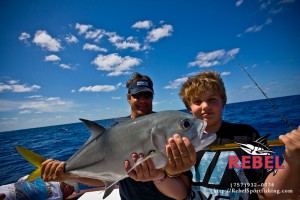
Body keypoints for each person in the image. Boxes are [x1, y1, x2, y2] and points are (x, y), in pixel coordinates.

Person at [40, 72, 195, 200]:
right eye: (137, 95)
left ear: (152, 97)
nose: (142, 100)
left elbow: (182, 184)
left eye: (147, 95)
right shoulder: (115, 130)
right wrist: (67, 174)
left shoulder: (166, 128)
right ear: (129, 98)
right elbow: (104, 176)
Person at [177, 70, 300, 199]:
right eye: (197, 101)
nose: (205, 106)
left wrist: (291, 161)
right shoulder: (184, 142)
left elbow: (267, 190)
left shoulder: (247, 134)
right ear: (189, 108)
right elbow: (182, 189)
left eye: (212, 99)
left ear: (223, 102)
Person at [0, 175, 74, 200]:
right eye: (71, 192)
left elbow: (21, 179)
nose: (71, 193)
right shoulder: (57, 196)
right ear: (67, 188)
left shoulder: (42, 177)